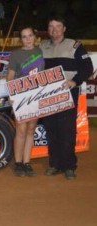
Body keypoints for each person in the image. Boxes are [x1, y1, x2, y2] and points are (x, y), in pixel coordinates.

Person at [40, 16, 93, 179]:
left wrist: (74, 81)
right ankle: (54, 164)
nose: (54, 29)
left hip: (67, 94)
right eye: (51, 26)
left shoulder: (74, 46)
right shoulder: (42, 47)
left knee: (67, 130)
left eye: (58, 26)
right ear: (48, 29)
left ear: (64, 28)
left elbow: (87, 68)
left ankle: (69, 166)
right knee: (51, 130)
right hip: (47, 95)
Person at [7, 26, 45, 177]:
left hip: (37, 95)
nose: (28, 39)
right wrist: (12, 95)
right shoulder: (16, 54)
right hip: (21, 96)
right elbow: (10, 76)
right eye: (24, 36)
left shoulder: (41, 52)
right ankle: (18, 163)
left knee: (31, 129)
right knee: (21, 130)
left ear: (35, 37)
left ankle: (27, 162)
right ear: (20, 39)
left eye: (30, 36)